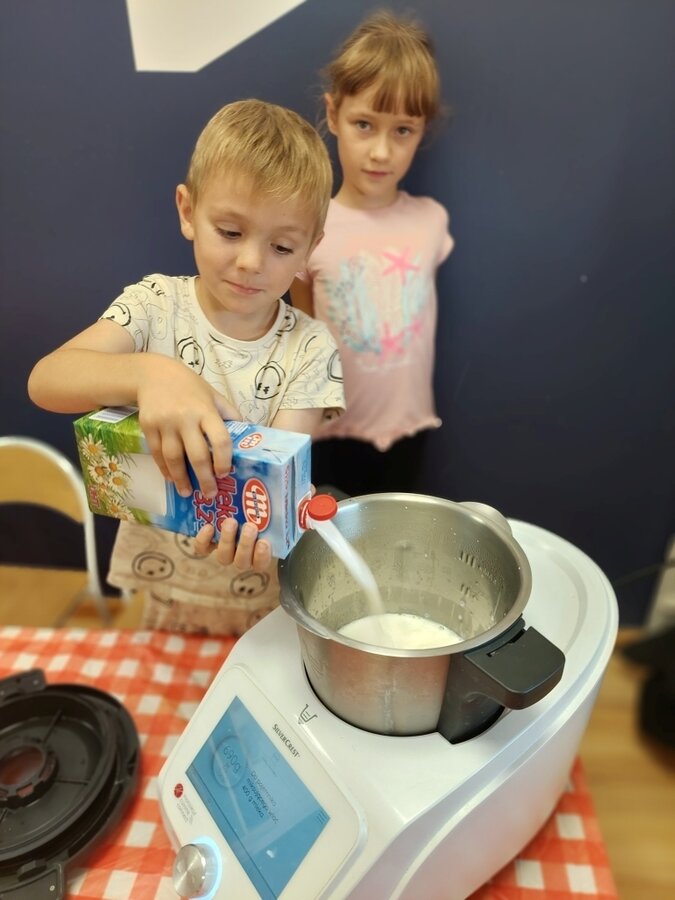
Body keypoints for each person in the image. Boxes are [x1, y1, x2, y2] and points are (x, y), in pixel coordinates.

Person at [28, 99, 344, 635]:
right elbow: (47, 380)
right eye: (230, 232)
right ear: (187, 210)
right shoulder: (153, 305)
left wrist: (269, 520)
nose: (251, 262)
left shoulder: (311, 348)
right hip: (161, 584)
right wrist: (154, 374)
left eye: (281, 245)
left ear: (310, 248)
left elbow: (278, 470)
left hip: (260, 596)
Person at [291, 10, 454, 497]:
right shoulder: (309, 229)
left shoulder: (431, 222)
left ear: (422, 130)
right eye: (364, 124)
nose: (381, 152)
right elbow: (304, 334)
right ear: (333, 114)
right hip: (332, 434)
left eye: (402, 130)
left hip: (410, 430)